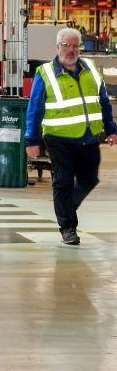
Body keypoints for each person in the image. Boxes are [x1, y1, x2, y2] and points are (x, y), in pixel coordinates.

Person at [25, 27, 117, 245]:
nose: (71, 50)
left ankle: (65, 207)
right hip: (59, 138)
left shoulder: (91, 69)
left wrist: (111, 129)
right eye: (66, 45)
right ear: (58, 47)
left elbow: (103, 101)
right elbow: (34, 108)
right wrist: (32, 139)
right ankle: (68, 227)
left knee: (89, 179)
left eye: (75, 46)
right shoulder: (45, 73)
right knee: (63, 182)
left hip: (89, 136)